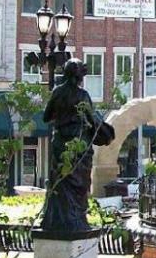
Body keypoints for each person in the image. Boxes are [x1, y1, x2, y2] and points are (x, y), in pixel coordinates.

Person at [41, 58, 114, 233]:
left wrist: (62, 114)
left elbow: (46, 117)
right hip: (79, 145)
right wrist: (106, 132)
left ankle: (55, 221)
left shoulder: (57, 92)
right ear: (80, 76)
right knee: (79, 184)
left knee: (59, 182)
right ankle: (75, 221)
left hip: (60, 144)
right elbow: (92, 120)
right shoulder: (82, 95)